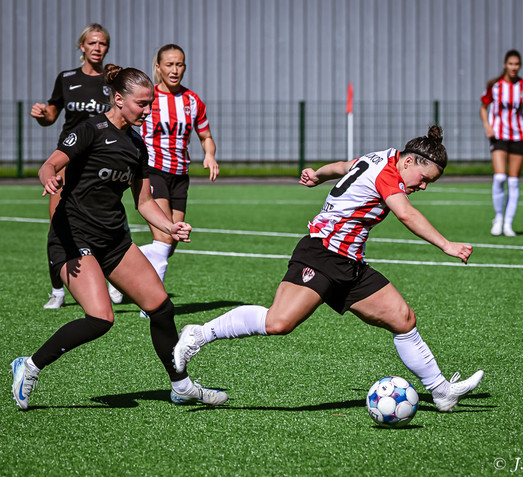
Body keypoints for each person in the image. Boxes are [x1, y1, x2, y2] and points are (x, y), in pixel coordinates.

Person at [174, 126, 484, 413]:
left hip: (349, 262)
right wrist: (446, 245)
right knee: (278, 322)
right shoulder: (389, 173)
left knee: (403, 319)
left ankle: (441, 391)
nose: (424, 186)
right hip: (322, 254)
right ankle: (199, 334)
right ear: (410, 161)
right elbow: (406, 214)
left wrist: (318, 175)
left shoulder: (383, 157)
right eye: (424, 178)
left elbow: (343, 166)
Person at [10, 64, 228, 410]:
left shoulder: (137, 145)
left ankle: (181, 385)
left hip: (114, 240)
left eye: (150, 103)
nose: (148, 110)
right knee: (101, 319)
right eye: (142, 103)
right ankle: (30, 365)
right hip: (73, 237)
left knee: (161, 307)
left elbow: (144, 202)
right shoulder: (91, 129)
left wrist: (169, 227)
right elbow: (49, 164)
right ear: (119, 99)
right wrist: (49, 177)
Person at [107, 44, 218, 308]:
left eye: (179, 64)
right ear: (158, 67)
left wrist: (210, 155)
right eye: (169, 64)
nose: (175, 70)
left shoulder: (192, 101)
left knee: (171, 241)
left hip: (180, 175)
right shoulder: (148, 97)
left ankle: (118, 268)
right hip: (152, 170)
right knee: (164, 238)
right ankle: (153, 305)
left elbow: (205, 136)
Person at [31, 23, 112, 309]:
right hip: (68, 159)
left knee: (106, 220)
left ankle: (114, 279)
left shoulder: (113, 78)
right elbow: (51, 116)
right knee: (58, 222)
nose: (97, 48)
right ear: (82, 46)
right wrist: (41, 115)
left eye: (102, 43)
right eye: (92, 42)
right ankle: (57, 290)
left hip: (101, 160)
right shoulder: (66, 78)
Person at [480, 49, 523, 237]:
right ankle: (498, 218)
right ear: (505, 65)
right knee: (500, 177)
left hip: (519, 136)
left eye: (517, 64)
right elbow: (483, 108)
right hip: (498, 135)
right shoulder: (495, 86)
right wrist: (487, 125)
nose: (514, 67)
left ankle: (508, 223)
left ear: (520, 66)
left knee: (514, 181)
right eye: (511, 64)